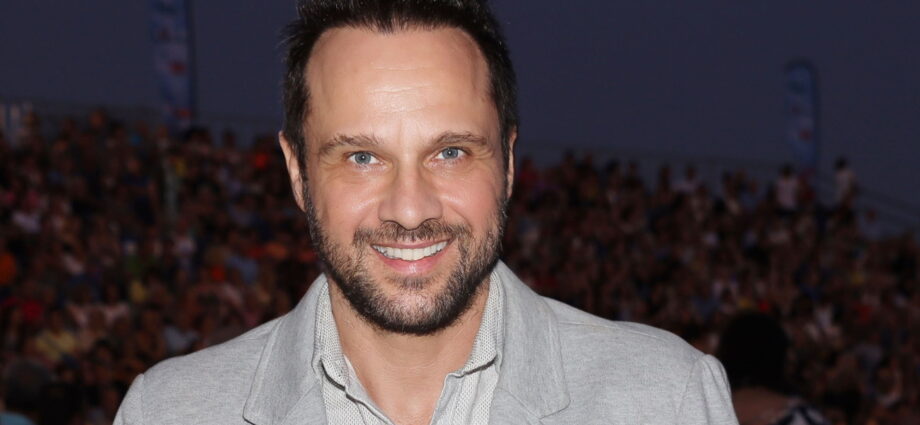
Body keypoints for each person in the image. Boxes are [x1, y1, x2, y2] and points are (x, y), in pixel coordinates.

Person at [114, 0, 737, 423]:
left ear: (509, 161)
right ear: (297, 172)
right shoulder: (168, 412)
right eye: (362, 157)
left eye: (450, 152)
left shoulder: (668, 398)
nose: (410, 210)